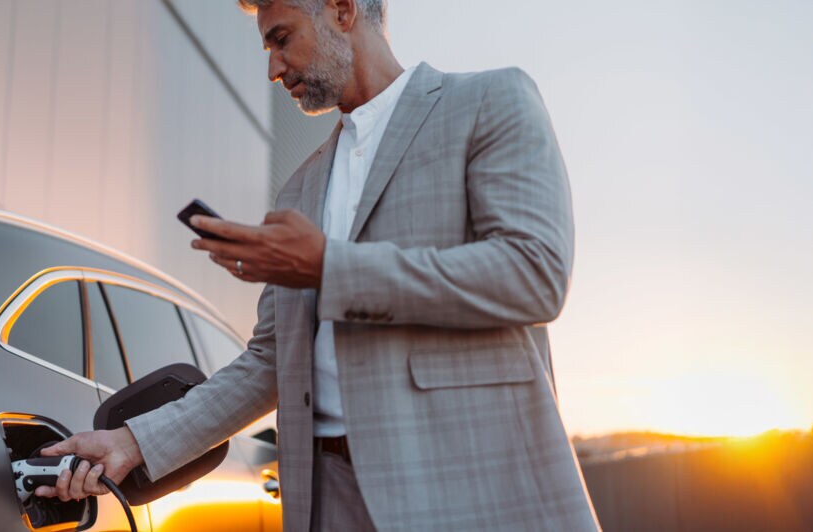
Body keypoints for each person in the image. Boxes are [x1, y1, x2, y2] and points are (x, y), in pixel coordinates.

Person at [35, 0, 600, 529]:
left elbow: (534, 273)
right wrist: (132, 444)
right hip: (323, 496)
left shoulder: (490, 103)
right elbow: (268, 361)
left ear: (343, 8)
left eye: (282, 39)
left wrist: (329, 266)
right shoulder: (298, 189)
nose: (274, 69)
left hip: (462, 486)